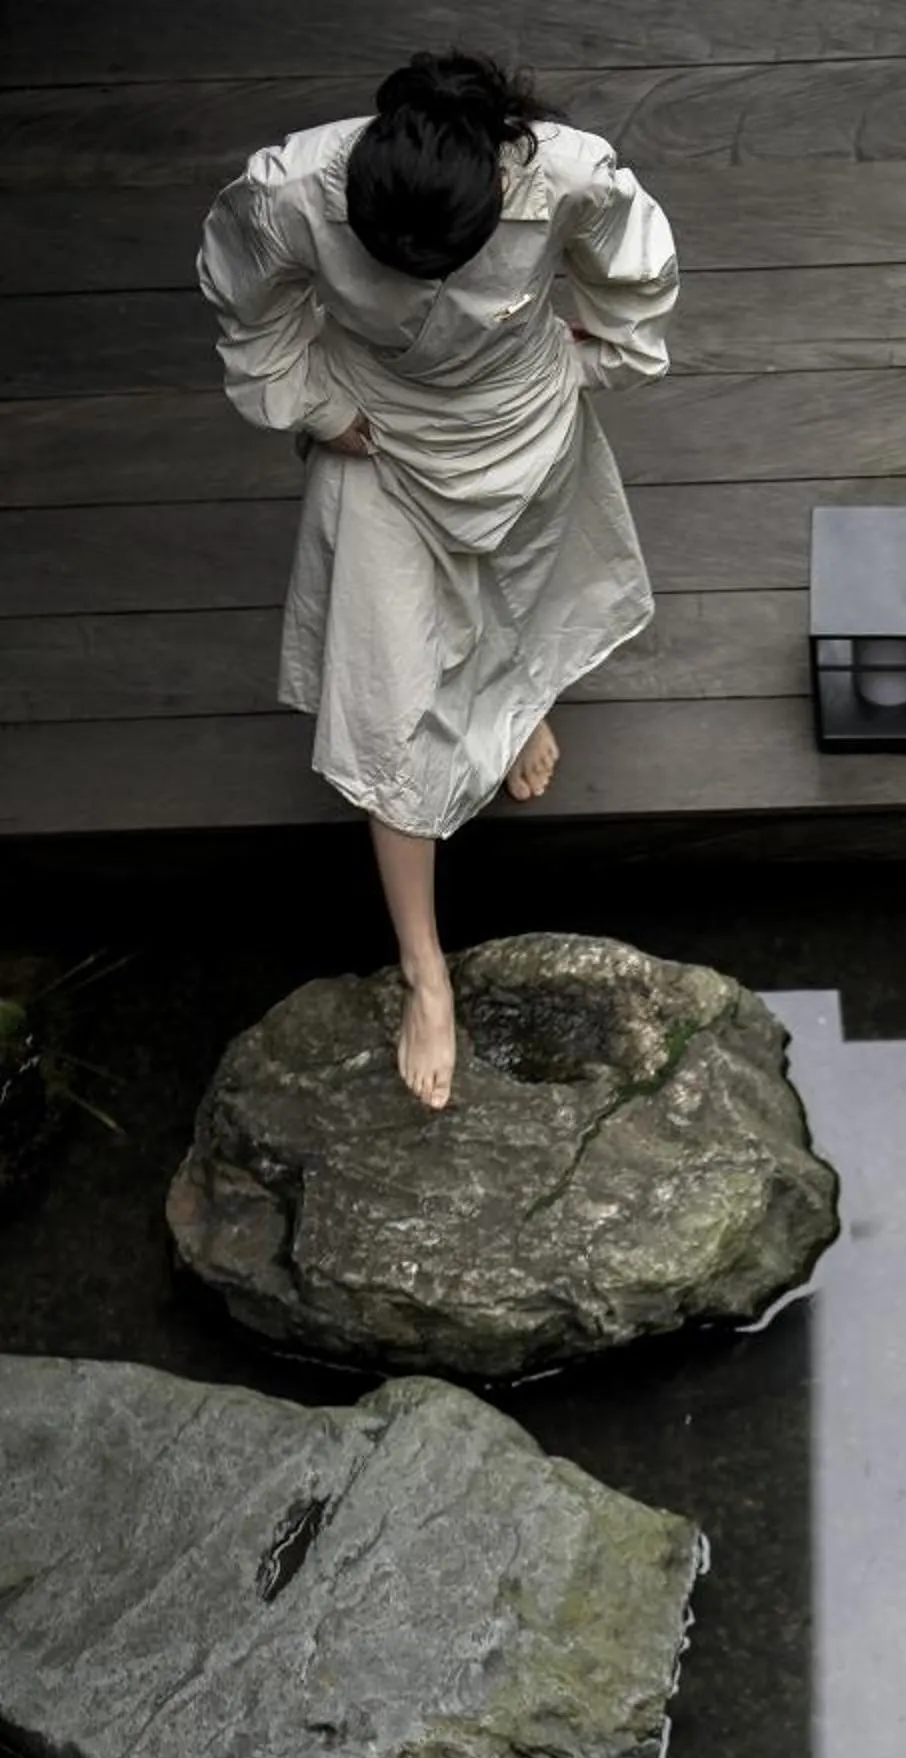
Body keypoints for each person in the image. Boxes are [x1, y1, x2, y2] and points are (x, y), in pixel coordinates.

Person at [197, 52, 678, 1110]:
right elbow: (250, 312)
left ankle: (512, 708)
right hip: (383, 437)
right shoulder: (289, 192)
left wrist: (580, 361)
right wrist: (327, 414)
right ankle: (426, 972)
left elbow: (632, 280)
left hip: (521, 418)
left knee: (528, 591)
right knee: (388, 707)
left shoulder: (566, 173)